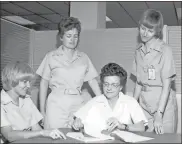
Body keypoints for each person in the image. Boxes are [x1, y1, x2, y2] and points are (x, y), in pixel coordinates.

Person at [36, 17, 101, 129]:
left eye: (75, 36)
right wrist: (42, 110)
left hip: (78, 102)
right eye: (68, 36)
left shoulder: (84, 58)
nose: (72, 40)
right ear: (61, 37)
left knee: (76, 137)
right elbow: (44, 83)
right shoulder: (51, 57)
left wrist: (103, 102)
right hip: (56, 103)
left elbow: (92, 82)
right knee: (54, 136)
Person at [132, 9, 178, 134]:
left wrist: (159, 113)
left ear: (157, 31)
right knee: (145, 138)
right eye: (143, 28)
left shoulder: (165, 50)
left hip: (163, 105)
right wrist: (132, 106)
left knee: (164, 140)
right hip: (144, 103)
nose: (145, 33)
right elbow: (138, 83)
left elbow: (167, 86)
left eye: (150, 30)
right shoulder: (138, 51)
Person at [72, 63, 148, 135]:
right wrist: (77, 123)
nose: (109, 88)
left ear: (121, 87)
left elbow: (141, 127)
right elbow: (78, 119)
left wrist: (122, 126)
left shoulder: (131, 102)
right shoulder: (94, 101)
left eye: (114, 85)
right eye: (106, 84)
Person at [1, 61, 66, 143]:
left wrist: (49, 135)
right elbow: (9, 136)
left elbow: (36, 128)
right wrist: (42, 132)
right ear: (12, 81)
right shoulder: (2, 103)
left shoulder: (26, 100)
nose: (28, 86)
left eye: (29, 82)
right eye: (25, 82)